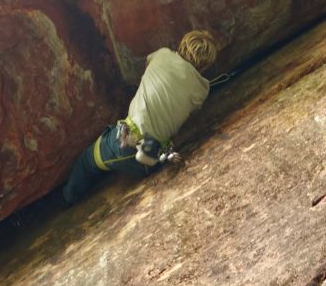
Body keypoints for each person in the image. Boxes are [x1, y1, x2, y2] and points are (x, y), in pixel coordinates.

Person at [62, 30, 219, 206]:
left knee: (87, 161)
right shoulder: (202, 89)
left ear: (184, 43)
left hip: (128, 146)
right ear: (206, 64)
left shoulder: (162, 55)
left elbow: (146, 66)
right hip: (155, 159)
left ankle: (68, 200)